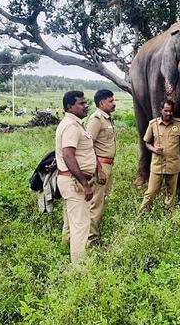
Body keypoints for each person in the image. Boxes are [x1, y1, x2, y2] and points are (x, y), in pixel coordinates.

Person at [55, 90, 96, 263]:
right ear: (70, 106)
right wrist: (84, 184)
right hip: (74, 182)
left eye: (85, 102)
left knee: (71, 221)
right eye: (81, 103)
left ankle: (66, 249)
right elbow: (68, 156)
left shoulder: (75, 124)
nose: (85, 105)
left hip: (71, 180)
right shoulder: (71, 126)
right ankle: (79, 267)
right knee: (81, 224)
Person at [139, 100, 180, 212]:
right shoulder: (153, 124)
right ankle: (141, 214)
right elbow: (146, 142)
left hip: (173, 165)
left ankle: (168, 214)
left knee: (171, 193)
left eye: (170, 111)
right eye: (166, 111)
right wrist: (154, 149)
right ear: (161, 110)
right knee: (151, 192)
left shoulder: (179, 124)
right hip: (157, 165)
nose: (168, 113)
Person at [86, 89, 117, 246]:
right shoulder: (96, 119)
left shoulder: (107, 118)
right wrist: (99, 170)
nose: (114, 103)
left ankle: (94, 235)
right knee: (96, 204)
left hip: (107, 165)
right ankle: (91, 240)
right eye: (110, 101)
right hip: (100, 166)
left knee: (102, 202)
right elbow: (88, 147)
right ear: (101, 103)